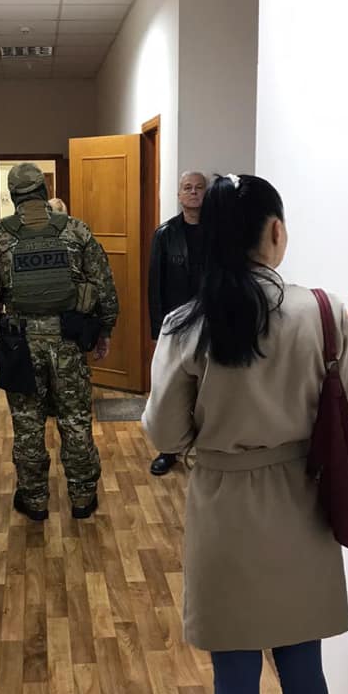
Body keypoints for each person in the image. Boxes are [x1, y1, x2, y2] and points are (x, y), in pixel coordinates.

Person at [142, 174, 348, 694]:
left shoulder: (187, 324)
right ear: (275, 231)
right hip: (303, 502)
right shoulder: (323, 312)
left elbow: (165, 433)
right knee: (303, 665)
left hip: (224, 505)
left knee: (235, 670)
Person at [0, 162, 118, 520]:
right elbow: (103, 285)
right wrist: (105, 330)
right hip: (69, 341)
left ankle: (35, 499)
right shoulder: (76, 230)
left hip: (19, 345)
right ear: (43, 190)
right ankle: (83, 498)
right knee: (75, 420)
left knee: (27, 424)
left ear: (13, 195)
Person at [147, 170, 207, 476]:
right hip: (176, 324)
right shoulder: (165, 234)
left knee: (209, 390)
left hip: (210, 322)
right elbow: (155, 285)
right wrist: (157, 329)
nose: (193, 192)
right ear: (179, 194)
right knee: (173, 390)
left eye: (199, 187)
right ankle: (169, 450)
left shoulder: (219, 232)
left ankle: (207, 450)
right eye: (187, 187)